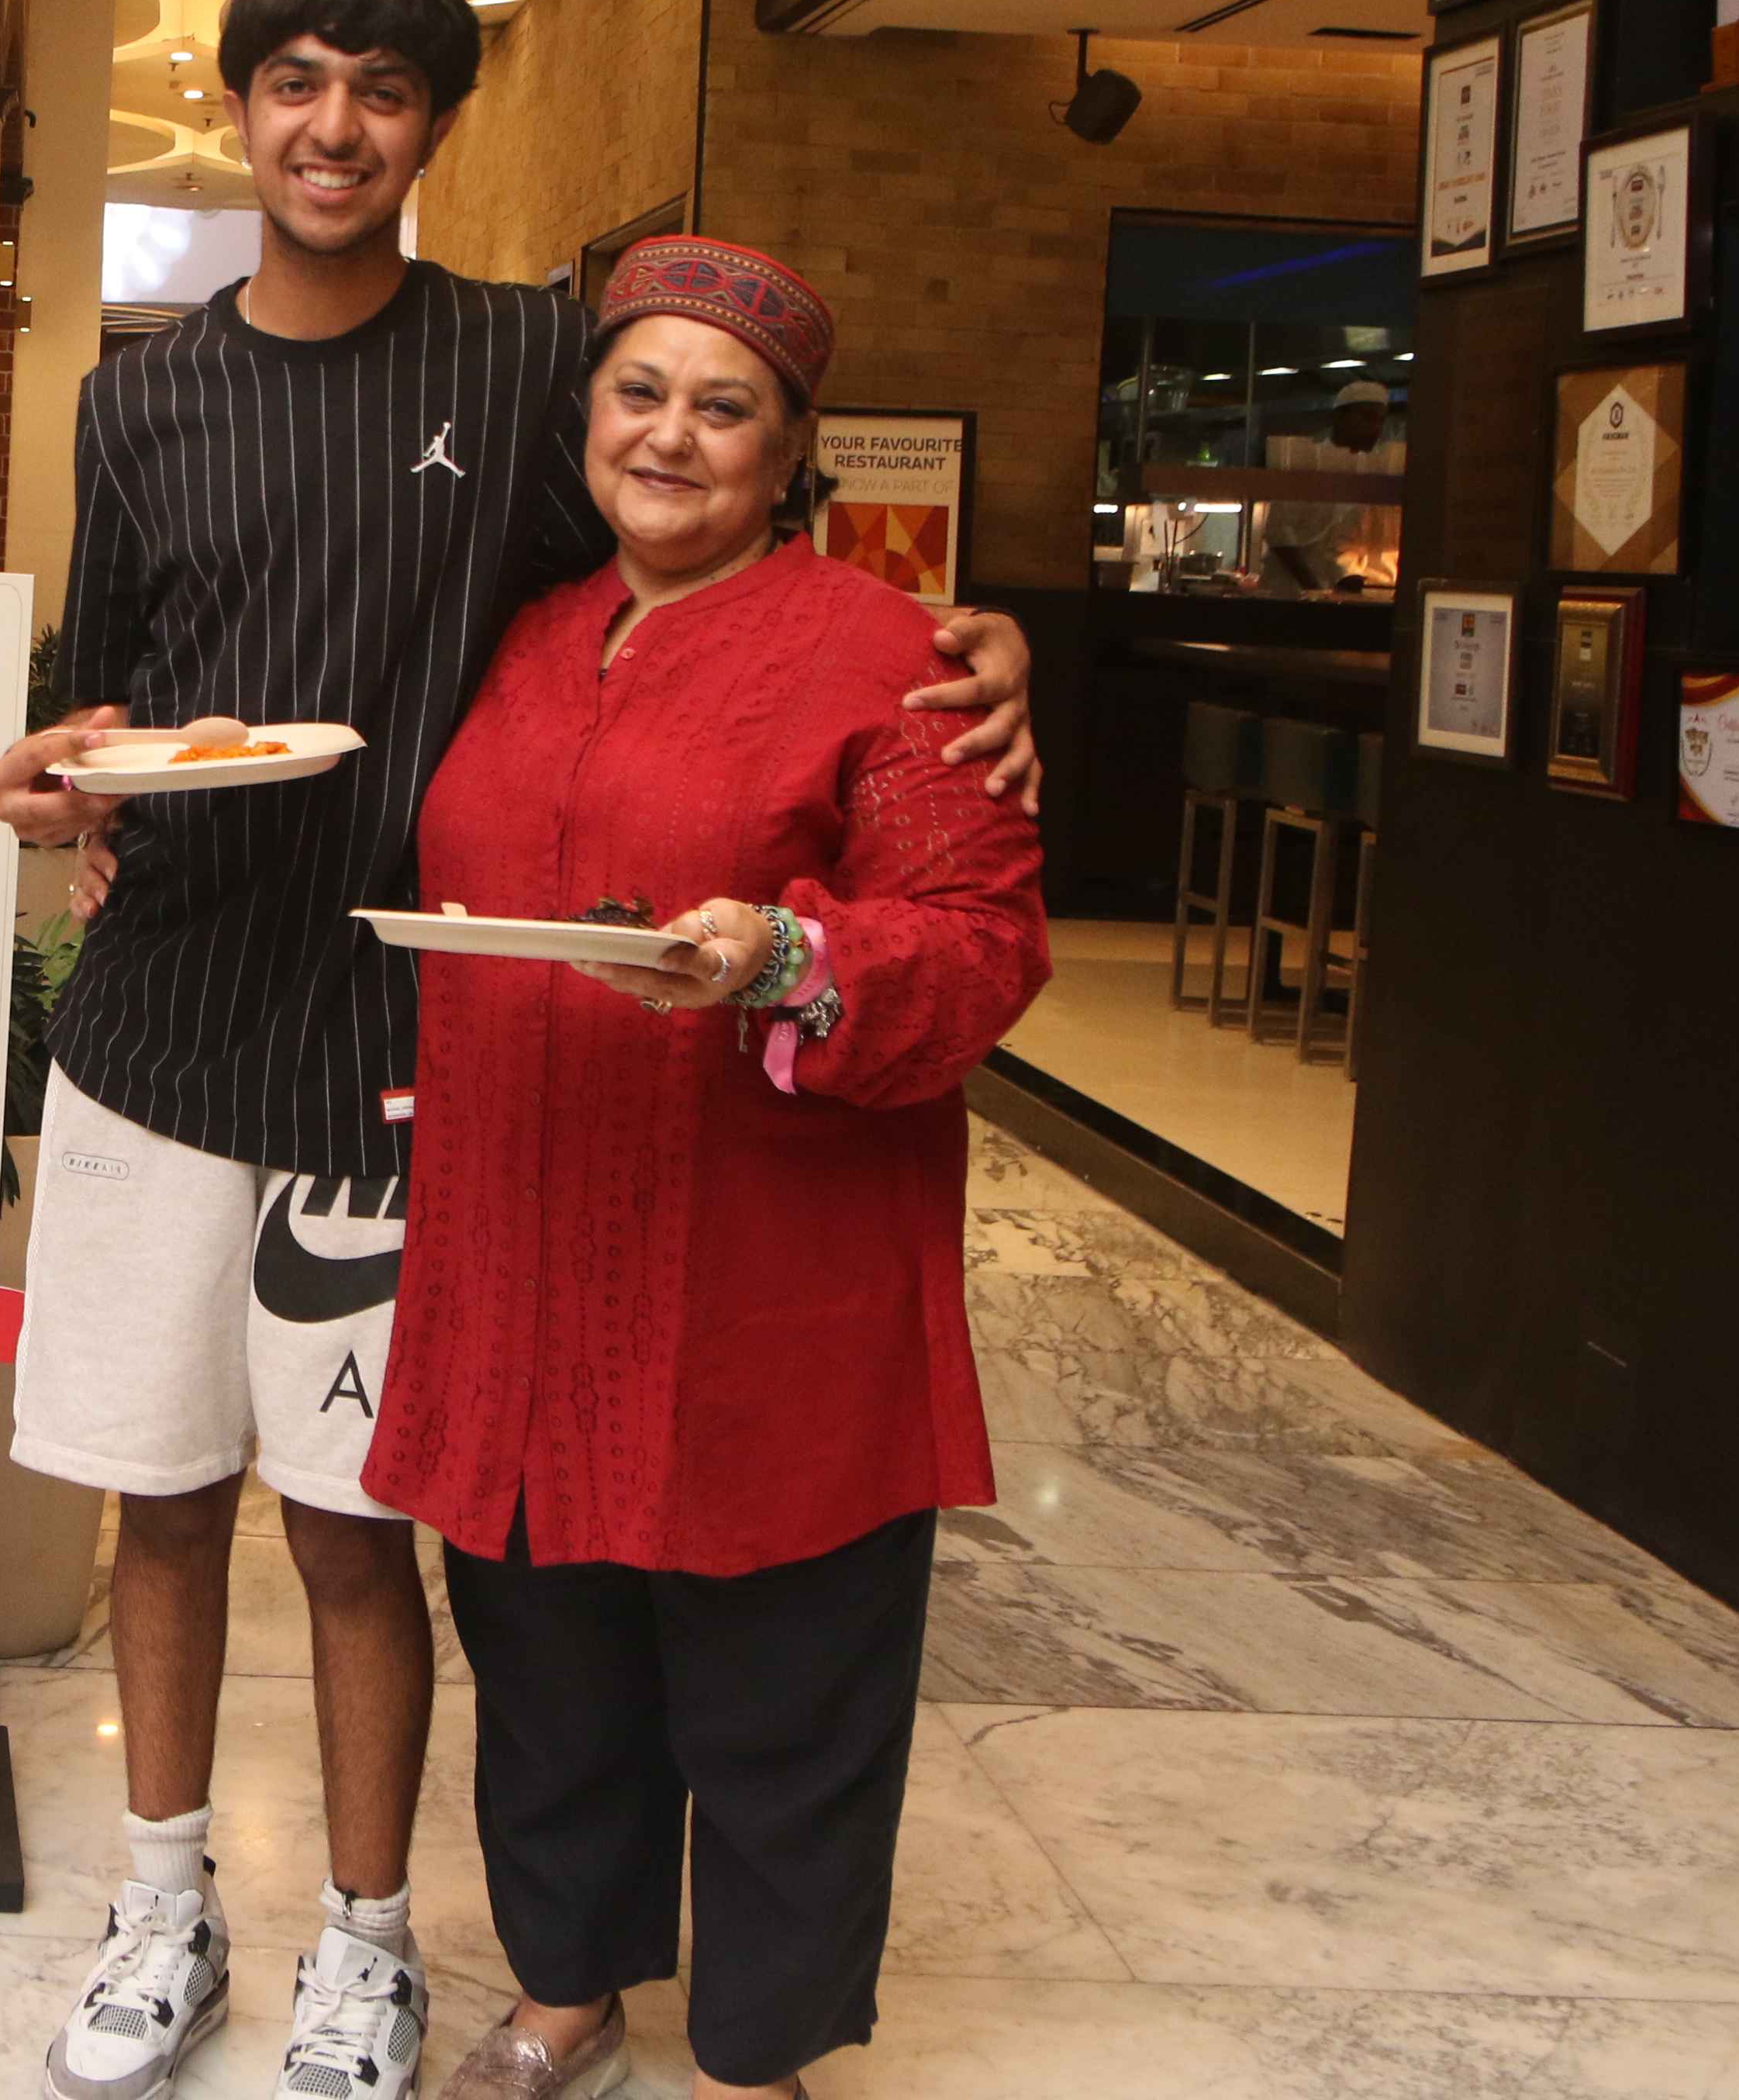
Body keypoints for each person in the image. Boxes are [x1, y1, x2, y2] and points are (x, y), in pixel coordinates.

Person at [0, 0, 1037, 2100]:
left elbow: (735, 582)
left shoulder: (526, 364)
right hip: (201, 1035)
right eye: (291, 81)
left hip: (402, 1072)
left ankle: (388, 1946)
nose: (332, 128)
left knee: (373, 1526)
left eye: (381, 89)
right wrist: (63, 780)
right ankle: (179, 1908)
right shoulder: (147, 399)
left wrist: (976, 644)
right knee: (211, 1513)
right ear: (237, 105)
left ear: (435, 126)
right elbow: (112, 683)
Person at [378, 237, 1049, 2100]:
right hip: (523, 1240)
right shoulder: (520, 626)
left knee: (781, 1684)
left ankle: (755, 2057)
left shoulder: (893, 657)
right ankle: (566, 1988)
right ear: (587, 416)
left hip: (768, 1261)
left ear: (790, 446)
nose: (669, 436)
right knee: (548, 1660)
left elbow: (981, 942)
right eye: (639, 392)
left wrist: (790, 958)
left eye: (723, 407)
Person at [1262, 377, 1404, 592]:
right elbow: (1280, 535)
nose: (1374, 427)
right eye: (1366, 417)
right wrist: (1314, 589)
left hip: (1344, 593)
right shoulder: (1308, 462)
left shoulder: (1378, 471)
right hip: (1291, 591)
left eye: (1379, 420)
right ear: (1338, 417)